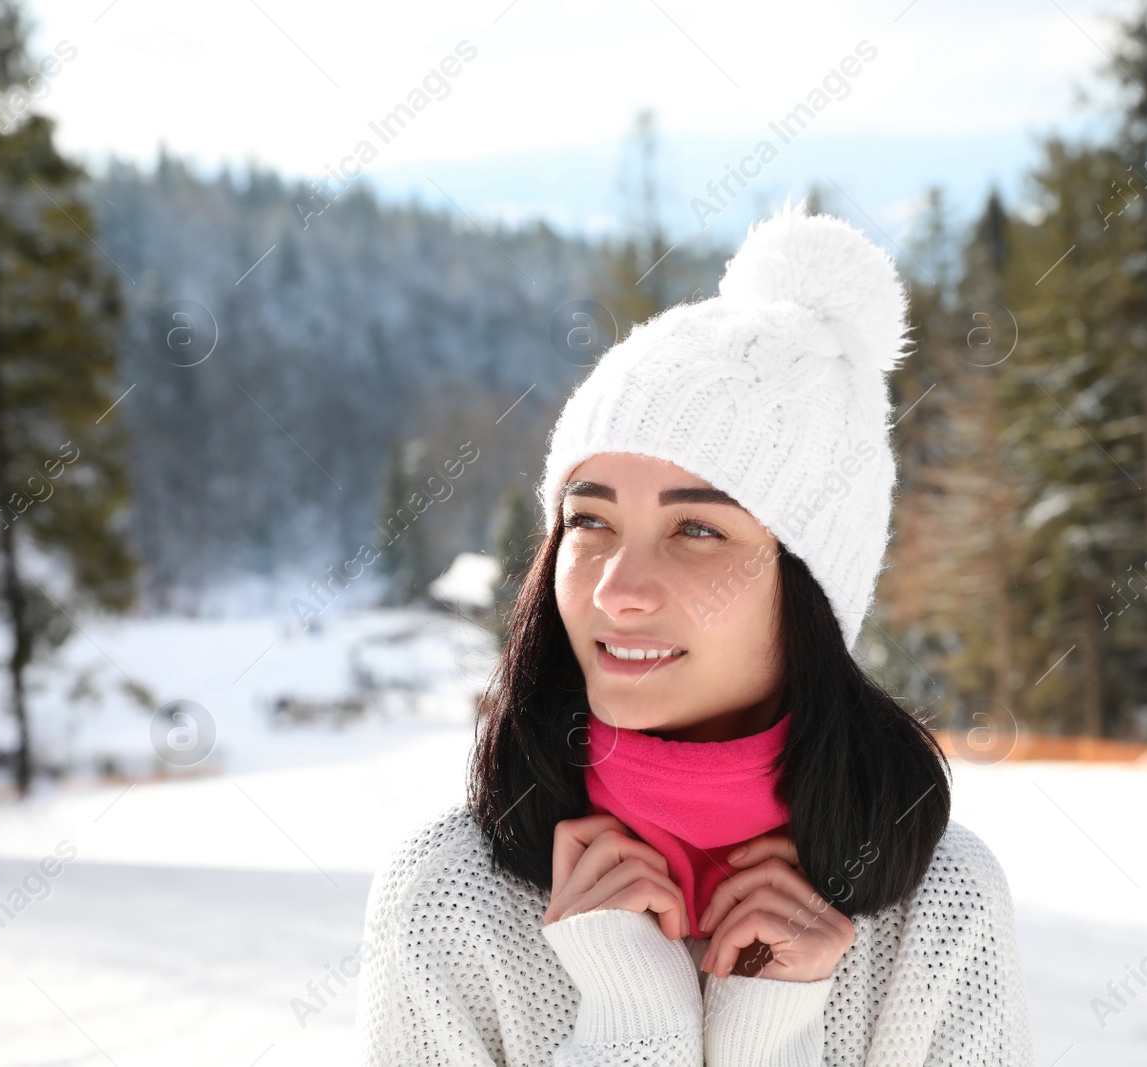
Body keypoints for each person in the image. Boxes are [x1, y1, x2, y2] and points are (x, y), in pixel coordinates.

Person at [356, 200, 1033, 1065]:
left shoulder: (940, 910)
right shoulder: (449, 899)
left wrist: (769, 1035)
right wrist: (634, 1031)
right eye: (589, 521)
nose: (617, 588)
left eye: (698, 530)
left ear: (810, 587)